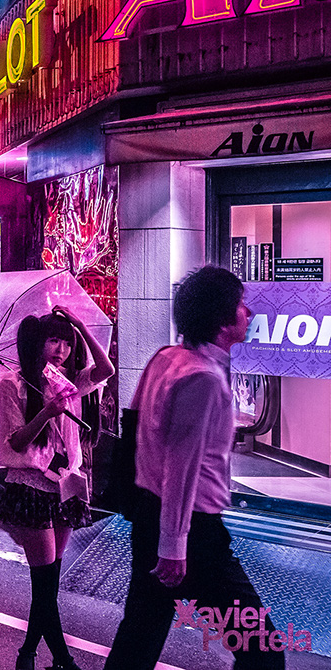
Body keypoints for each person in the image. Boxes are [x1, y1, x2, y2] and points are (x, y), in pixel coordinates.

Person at [104, 267, 283, 670]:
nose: (248, 311)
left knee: (139, 637)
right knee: (262, 649)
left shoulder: (167, 358)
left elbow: (134, 432)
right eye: (239, 304)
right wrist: (173, 547)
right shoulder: (201, 377)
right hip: (194, 533)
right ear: (222, 320)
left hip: (152, 516)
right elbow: (181, 468)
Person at [0, 307, 113, 670]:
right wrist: (46, 412)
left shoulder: (71, 381)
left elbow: (106, 370)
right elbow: (15, 443)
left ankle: (29, 653)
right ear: (38, 343)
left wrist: (80, 325)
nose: (60, 348)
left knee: (49, 583)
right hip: (32, 486)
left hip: (67, 485)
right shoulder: (13, 384)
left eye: (66, 341)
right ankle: (61, 659)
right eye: (53, 340)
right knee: (43, 582)